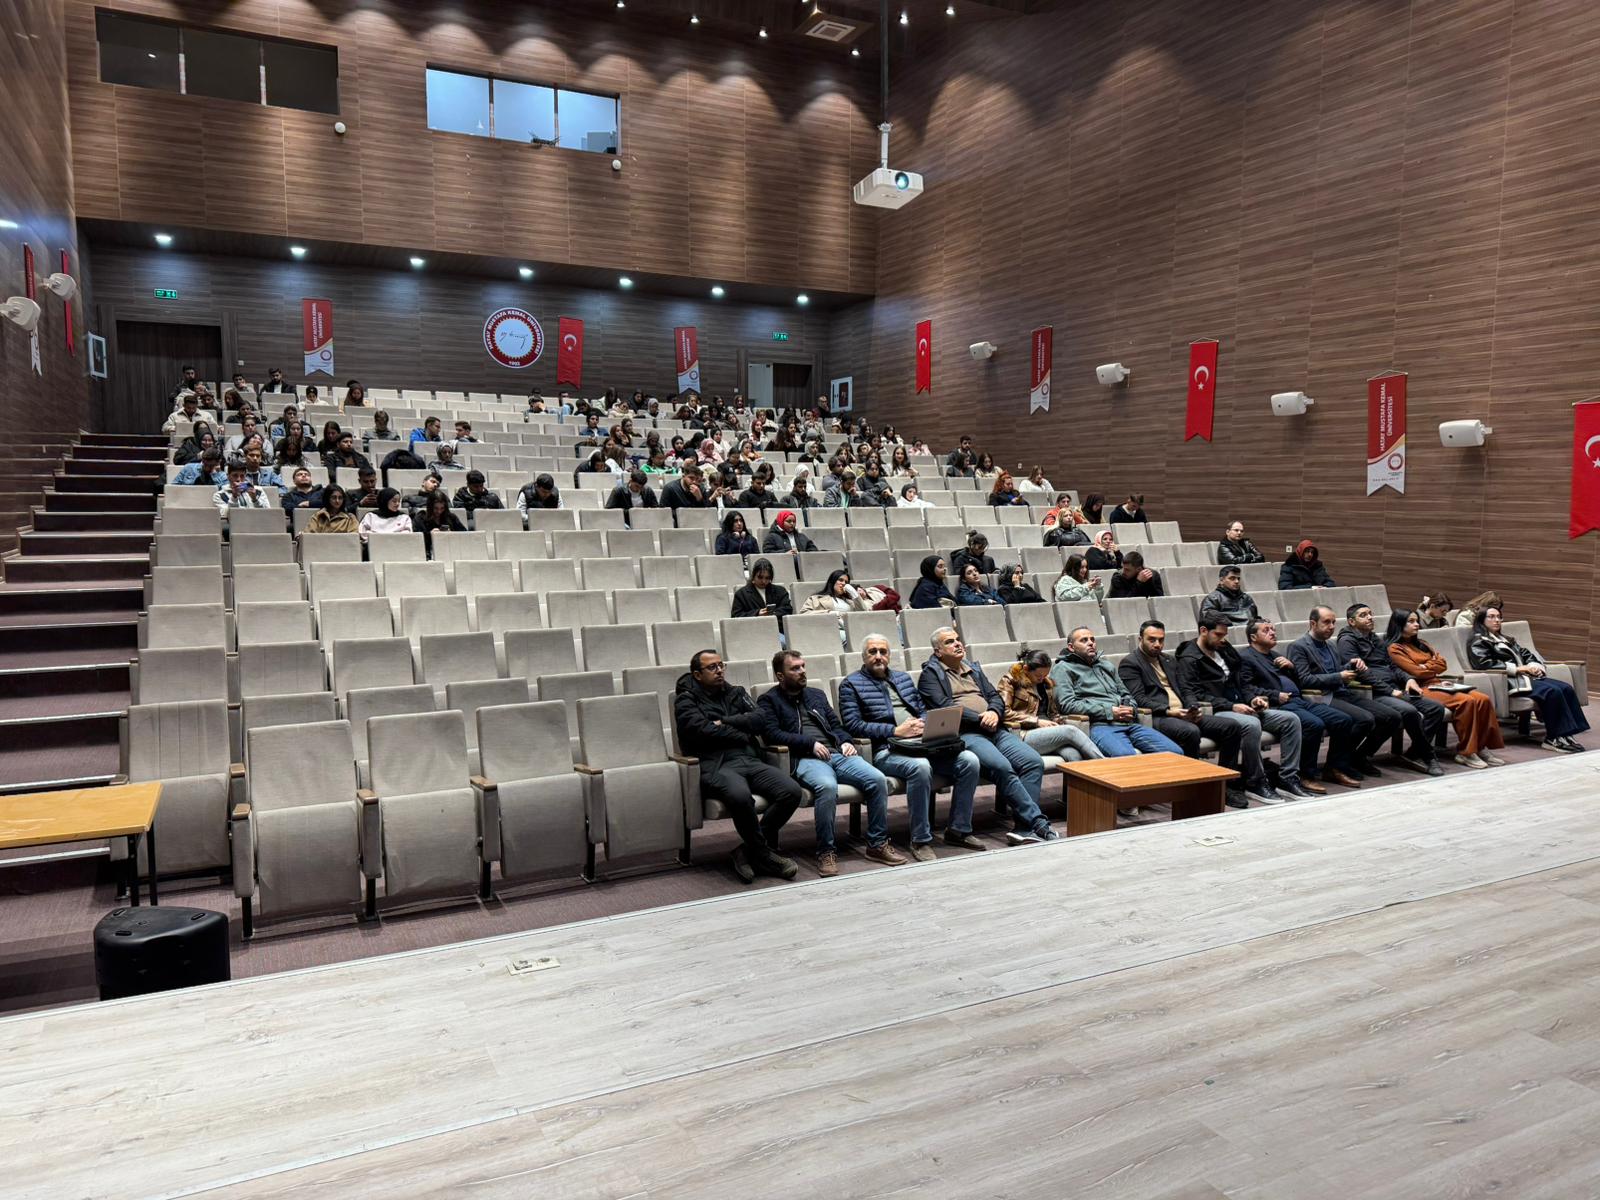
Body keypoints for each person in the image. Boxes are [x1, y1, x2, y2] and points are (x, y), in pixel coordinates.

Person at [757, 651, 906, 876]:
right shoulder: (769, 700)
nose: (802, 671)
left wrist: (845, 741)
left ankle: (877, 844)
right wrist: (809, 744)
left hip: (836, 754)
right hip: (805, 758)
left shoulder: (816, 695)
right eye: (795, 668)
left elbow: (836, 725)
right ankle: (826, 851)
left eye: (803, 666)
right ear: (780, 675)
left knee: (877, 779)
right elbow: (771, 734)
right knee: (827, 787)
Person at [837, 636, 985, 859]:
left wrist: (924, 723)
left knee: (969, 760)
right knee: (921, 767)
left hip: (919, 744)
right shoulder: (851, 684)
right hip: (886, 750)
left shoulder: (903, 678)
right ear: (863, 656)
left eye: (883, 652)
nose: (878, 656)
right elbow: (853, 725)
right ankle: (920, 839)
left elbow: (922, 708)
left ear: (889, 655)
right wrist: (895, 731)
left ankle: (958, 830)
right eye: (872, 652)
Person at [674, 650, 803, 883]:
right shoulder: (686, 700)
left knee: (791, 791)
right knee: (741, 797)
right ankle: (764, 855)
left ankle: (747, 851)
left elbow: (761, 719)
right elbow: (700, 731)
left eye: (721, 665)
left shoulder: (737, 692)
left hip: (749, 758)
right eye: (712, 667)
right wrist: (740, 731)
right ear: (697, 674)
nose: (719, 670)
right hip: (715, 764)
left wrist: (724, 722)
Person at [919, 626, 1057, 843]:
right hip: (965, 734)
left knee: (1032, 762)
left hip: (994, 730)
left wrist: (993, 712)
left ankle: (1023, 829)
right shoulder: (929, 675)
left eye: (957, 639)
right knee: (1002, 767)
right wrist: (981, 718)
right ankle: (1038, 823)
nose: (957, 644)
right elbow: (944, 706)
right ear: (938, 651)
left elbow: (995, 696)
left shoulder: (973, 668)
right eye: (949, 642)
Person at [1175, 616, 1312, 803]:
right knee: (1251, 724)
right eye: (1218, 634)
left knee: (1290, 720)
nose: (1223, 639)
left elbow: (1242, 683)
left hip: (1242, 705)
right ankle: (1255, 782)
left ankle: (1287, 778)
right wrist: (1231, 706)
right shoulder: (1189, 658)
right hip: (1217, 710)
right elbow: (1194, 694)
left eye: (1225, 634)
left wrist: (1253, 699)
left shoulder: (1223, 649)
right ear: (1203, 631)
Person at [1114, 621, 1244, 797]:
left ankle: (1226, 787)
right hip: (1158, 717)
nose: (1157, 644)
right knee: (1190, 731)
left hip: (1183, 713)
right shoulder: (1130, 663)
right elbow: (1138, 699)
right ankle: (1191, 788)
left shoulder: (1169, 660)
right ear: (1140, 639)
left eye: (1161, 640)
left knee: (1231, 727)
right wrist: (1169, 711)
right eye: (1152, 640)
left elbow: (1186, 689)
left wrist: (1193, 707)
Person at [1289, 606, 1401, 777]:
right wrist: (1338, 676)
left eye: (1334, 622)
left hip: (1341, 692)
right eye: (1327, 622)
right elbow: (1304, 680)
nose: (1332, 626)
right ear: (1313, 623)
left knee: (1391, 717)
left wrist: (1351, 665)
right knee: (1364, 719)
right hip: (1320, 696)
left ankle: (1357, 757)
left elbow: (1337, 670)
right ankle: (1336, 765)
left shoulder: (1330, 645)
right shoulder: (1299, 646)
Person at [1386, 610, 1505, 769]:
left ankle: (1480, 746)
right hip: (1419, 688)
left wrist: (1426, 666)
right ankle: (1466, 752)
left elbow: (1443, 664)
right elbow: (1416, 672)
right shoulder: (1394, 648)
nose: (1417, 624)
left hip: (1438, 683)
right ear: (1399, 624)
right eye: (1411, 621)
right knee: (1466, 701)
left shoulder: (1423, 644)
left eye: (1417, 621)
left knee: (1483, 699)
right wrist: (1430, 665)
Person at [1336, 603, 1447, 775]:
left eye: (1370, 613)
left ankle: (1414, 753)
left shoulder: (1375, 639)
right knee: (1408, 711)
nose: (1370, 617)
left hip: (1393, 688)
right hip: (1371, 692)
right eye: (1363, 615)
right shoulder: (1346, 641)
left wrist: (1409, 679)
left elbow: (1392, 666)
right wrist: (1389, 690)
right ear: (1351, 622)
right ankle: (1428, 756)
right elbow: (1361, 674)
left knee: (1436, 708)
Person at [1051, 626, 1185, 758]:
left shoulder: (1105, 665)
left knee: (1175, 753)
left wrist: (1130, 708)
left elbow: (1126, 694)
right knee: (1126, 757)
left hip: (1129, 723)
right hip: (1099, 725)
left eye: (1092, 639)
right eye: (1084, 640)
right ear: (1071, 647)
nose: (1091, 643)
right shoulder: (1063, 669)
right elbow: (1067, 704)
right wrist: (1109, 711)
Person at [1468, 606, 1589, 752]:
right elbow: (1483, 664)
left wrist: (1534, 666)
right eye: (1491, 617)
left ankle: (1566, 734)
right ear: (1481, 620)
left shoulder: (1506, 639)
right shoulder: (1478, 641)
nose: (1497, 620)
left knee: (1566, 688)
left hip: (1525, 677)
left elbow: (1526, 654)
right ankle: (1553, 738)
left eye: (1499, 617)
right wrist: (1519, 669)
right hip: (1507, 681)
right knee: (1551, 692)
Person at [996, 648, 1103, 764]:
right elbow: (1004, 712)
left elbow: (1053, 713)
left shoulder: (1046, 684)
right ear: (1026, 669)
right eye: (1038, 676)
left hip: (1047, 732)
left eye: (1045, 675)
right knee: (1070, 731)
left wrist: (1057, 721)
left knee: (1074, 755)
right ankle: (1106, 764)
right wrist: (1036, 722)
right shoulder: (1010, 681)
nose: (1042, 679)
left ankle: (1093, 774)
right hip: (1022, 734)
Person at [801, 569, 873, 615]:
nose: (843, 583)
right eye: (840, 580)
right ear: (832, 581)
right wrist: (829, 613)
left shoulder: (851, 601)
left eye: (846, 582)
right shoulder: (816, 599)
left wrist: (854, 593)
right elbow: (804, 614)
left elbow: (863, 615)